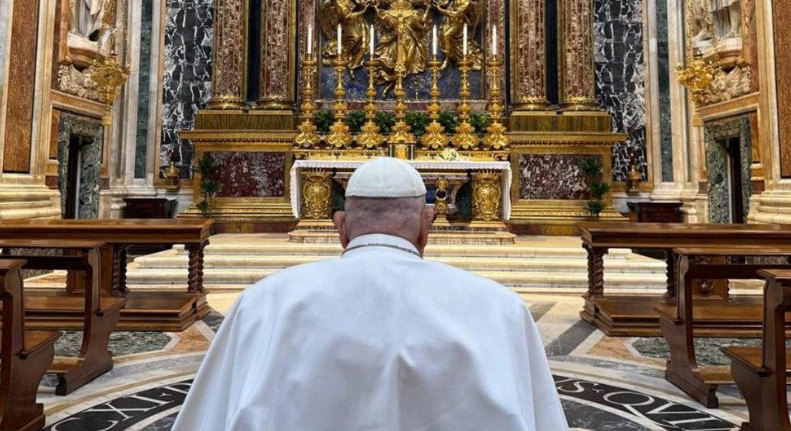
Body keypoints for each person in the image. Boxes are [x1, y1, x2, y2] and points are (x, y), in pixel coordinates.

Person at [172, 158, 569, 431]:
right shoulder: (500, 309)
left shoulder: (263, 303)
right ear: (426, 226)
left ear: (341, 226)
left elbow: (206, 419)